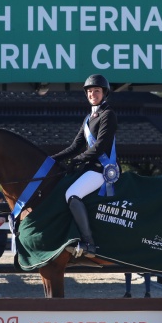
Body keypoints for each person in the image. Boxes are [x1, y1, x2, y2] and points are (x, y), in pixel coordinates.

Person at [51, 74, 119, 257]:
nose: (92, 94)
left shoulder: (108, 115)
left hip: (102, 169)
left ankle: (89, 243)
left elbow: (100, 146)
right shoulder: (89, 117)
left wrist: (77, 160)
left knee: (72, 194)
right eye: (89, 91)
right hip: (89, 167)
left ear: (104, 93)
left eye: (96, 91)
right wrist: (52, 159)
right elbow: (75, 146)